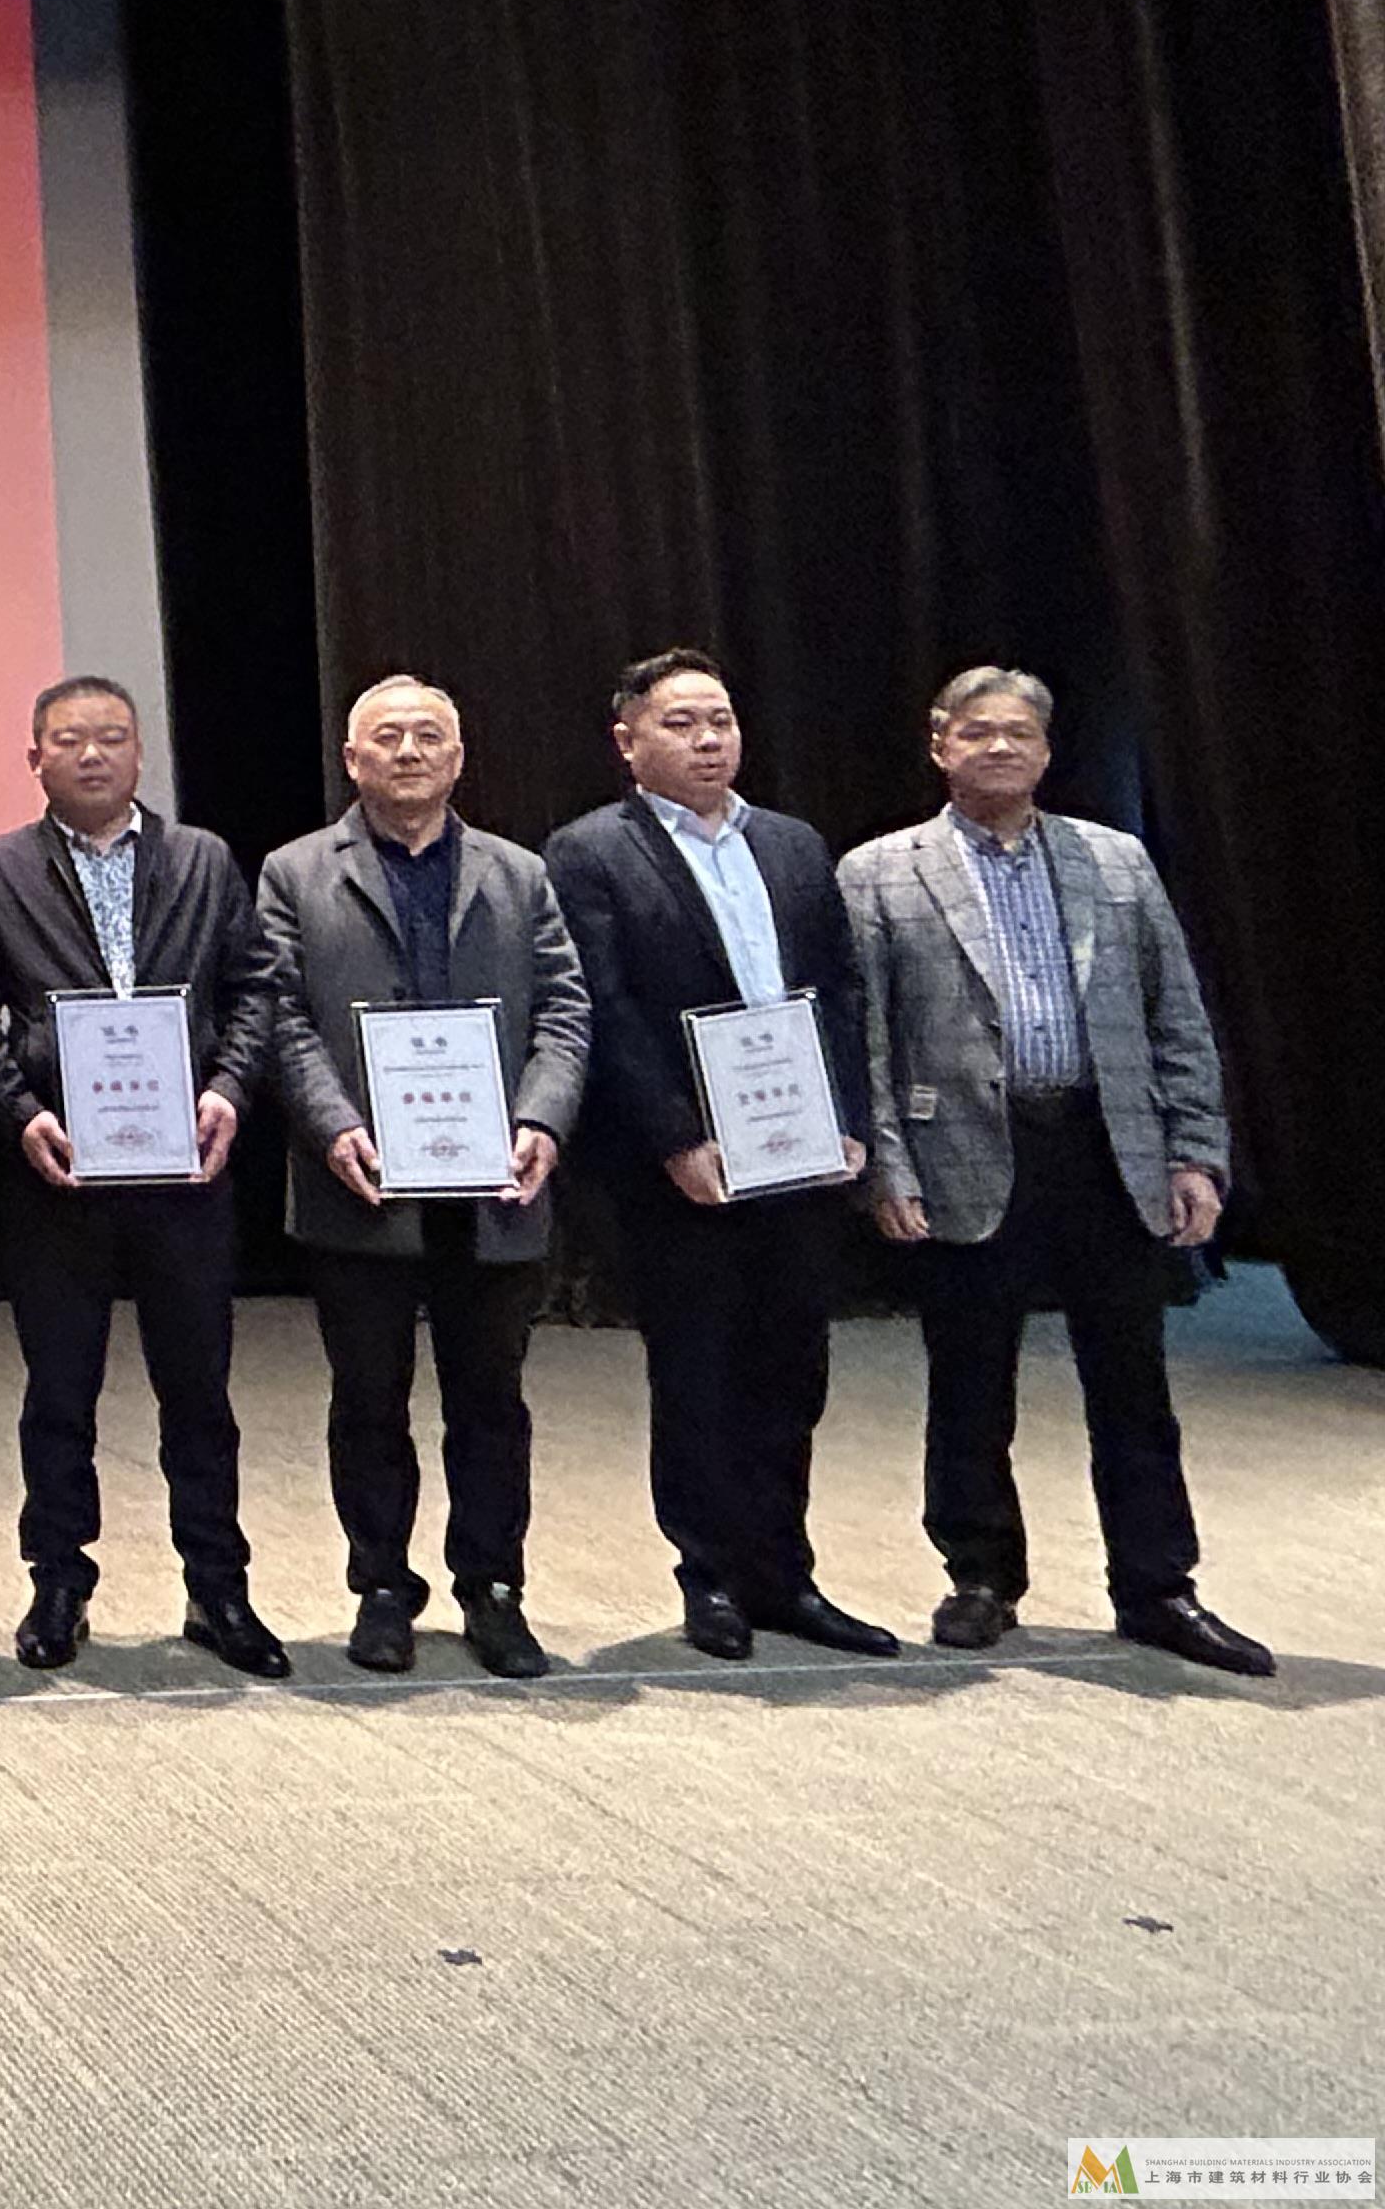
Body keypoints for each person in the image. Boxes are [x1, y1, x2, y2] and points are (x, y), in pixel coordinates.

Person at [838, 667, 1270, 1674]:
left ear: (1047, 749)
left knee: (1133, 1385)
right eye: (977, 732)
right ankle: (981, 1577)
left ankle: (1158, 1587)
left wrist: (1196, 1152)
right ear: (939, 745)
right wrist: (886, 1167)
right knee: (969, 1384)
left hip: (1107, 1149)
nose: (1000, 748)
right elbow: (866, 1038)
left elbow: (1177, 1016)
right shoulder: (879, 872)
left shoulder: (1116, 860)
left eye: (1019, 733)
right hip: (961, 1152)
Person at [541, 650, 897, 1661]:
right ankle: (709, 1578)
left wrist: (848, 1119)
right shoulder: (589, 852)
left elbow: (841, 990)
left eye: (722, 722)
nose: (708, 741)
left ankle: (784, 1575)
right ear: (628, 742)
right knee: (696, 1372)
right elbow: (605, 1008)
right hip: (681, 1167)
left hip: (800, 1150)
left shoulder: (791, 844)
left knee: (791, 1369)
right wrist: (674, 1140)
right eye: (682, 724)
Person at [0, 674, 287, 1680]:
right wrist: (23, 1113)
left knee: (200, 1392)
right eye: (70, 739)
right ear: (34, 758)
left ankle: (218, 1586)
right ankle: (59, 1580)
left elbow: (253, 987)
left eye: (112, 737)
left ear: (140, 752)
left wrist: (228, 1089)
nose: (92, 754)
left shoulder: (203, 859)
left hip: (185, 1169)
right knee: (59, 1392)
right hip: (58, 1173)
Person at [254, 675, 589, 1680]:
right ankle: (382, 1589)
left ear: (459, 756)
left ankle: (493, 1587)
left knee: (492, 1403)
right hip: (361, 1183)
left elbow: (565, 1010)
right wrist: (332, 1127)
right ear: (352, 759)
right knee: (369, 1401)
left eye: (429, 736)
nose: (409, 752)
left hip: (495, 1187)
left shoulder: (518, 873)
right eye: (388, 737)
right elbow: (278, 1015)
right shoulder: (295, 872)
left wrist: (541, 1119)